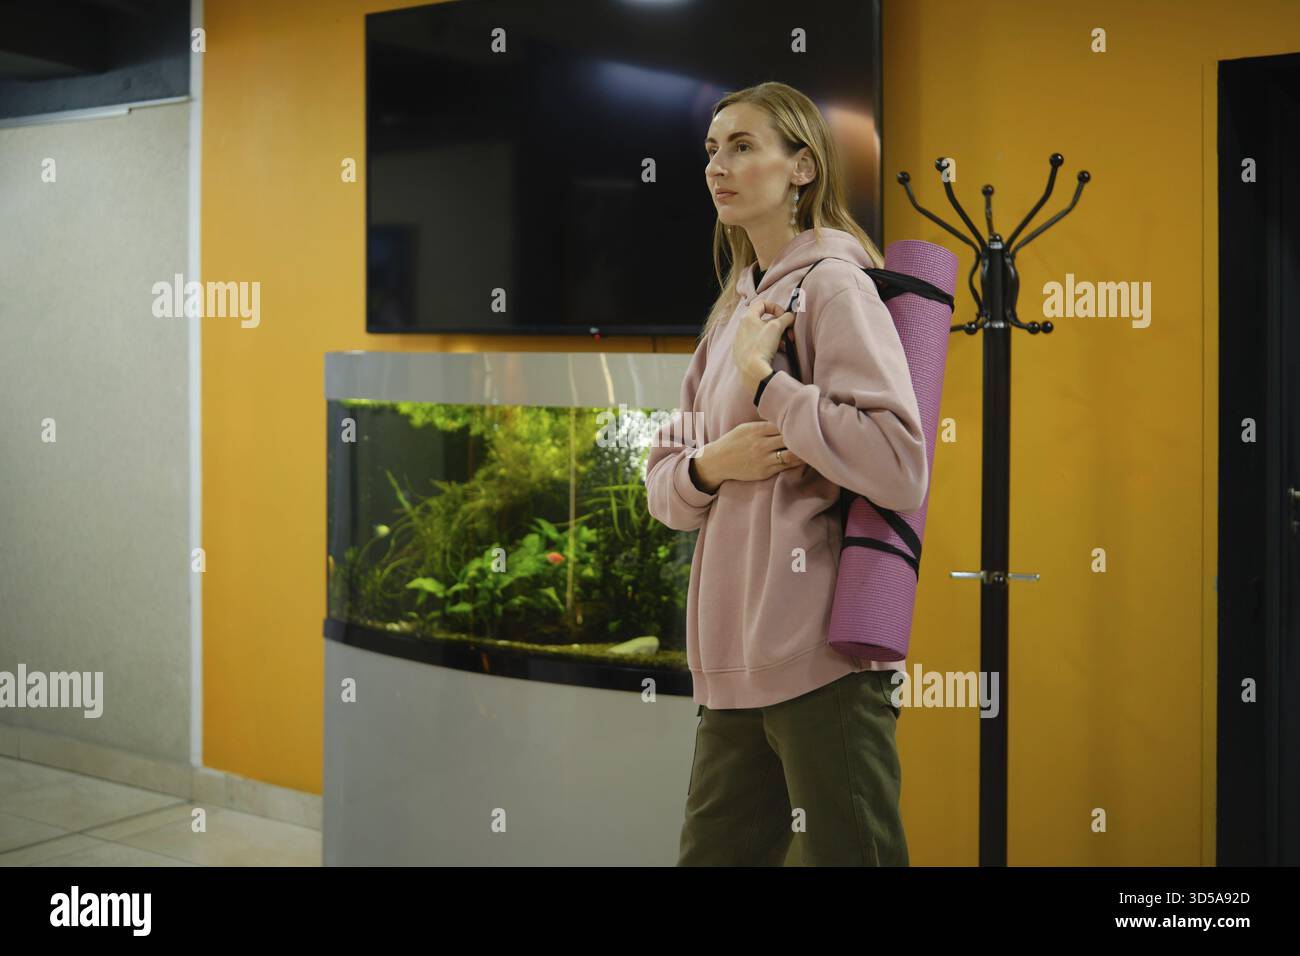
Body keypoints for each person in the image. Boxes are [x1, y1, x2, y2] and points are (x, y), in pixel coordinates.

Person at [643, 81, 928, 866]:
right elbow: (664, 486)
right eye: (711, 149)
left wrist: (770, 386)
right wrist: (710, 465)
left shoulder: (834, 285)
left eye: (742, 146)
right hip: (729, 668)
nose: (717, 166)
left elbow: (899, 464)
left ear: (802, 166)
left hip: (820, 660)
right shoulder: (733, 310)